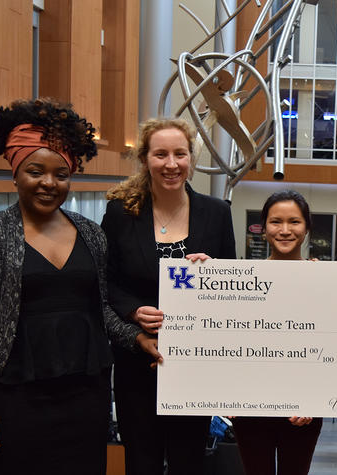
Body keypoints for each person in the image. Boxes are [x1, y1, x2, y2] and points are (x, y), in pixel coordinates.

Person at [0, 98, 161, 475]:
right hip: (15, 398)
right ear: (15, 173)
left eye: (61, 174)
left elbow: (99, 307)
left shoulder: (90, 234)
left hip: (86, 395)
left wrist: (135, 338)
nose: (49, 183)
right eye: (35, 171)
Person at [102, 117, 236, 475]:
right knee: (140, 461)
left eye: (180, 154)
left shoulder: (217, 213)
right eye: (160, 154)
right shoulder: (120, 213)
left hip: (192, 364)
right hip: (137, 360)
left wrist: (215, 272)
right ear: (145, 159)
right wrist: (132, 313)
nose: (171, 164)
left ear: (191, 157)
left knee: (189, 460)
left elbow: (235, 290)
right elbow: (104, 281)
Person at [231, 189, 323, 475]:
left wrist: (314, 399)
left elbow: (331, 348)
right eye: (276, 222)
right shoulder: (241, 280)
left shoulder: (324, 282)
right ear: (263, 227)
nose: (285, 230)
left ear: (307, 228)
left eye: (294, 222)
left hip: (302, 411)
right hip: (251, 408)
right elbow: (230, 342)